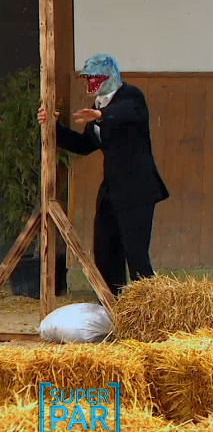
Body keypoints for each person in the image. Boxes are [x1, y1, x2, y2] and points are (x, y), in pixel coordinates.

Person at [37, 53, 168, 296]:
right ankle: (112, 307)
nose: (89, 81)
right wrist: (55, 128)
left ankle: (149, 309)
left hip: (137, 190)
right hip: (112, 192)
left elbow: (128, 112)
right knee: (106, 252)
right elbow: (85, 145)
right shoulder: (97, 107)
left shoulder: (130, 96)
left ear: (109, 76)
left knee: (136, 254)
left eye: (94, 76)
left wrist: (101, 116)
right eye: (87, 77)